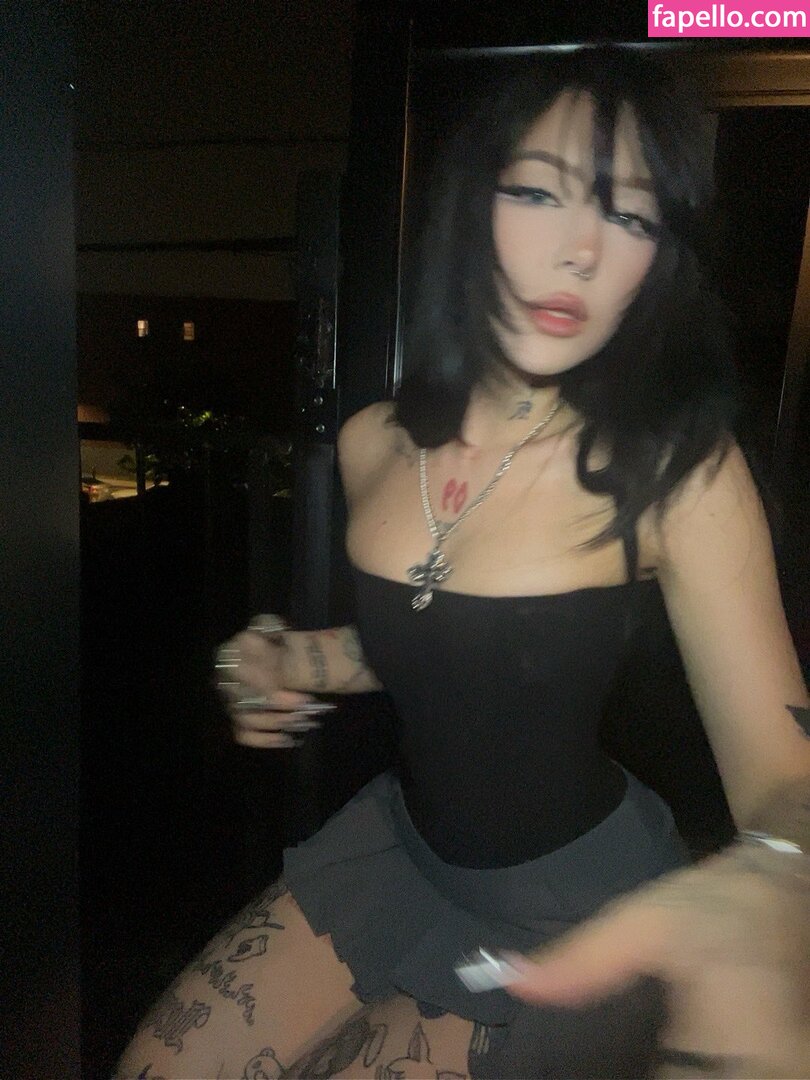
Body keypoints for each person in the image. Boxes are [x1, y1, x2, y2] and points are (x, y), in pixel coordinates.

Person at [117, 46, 810, 1080]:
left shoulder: (677, 472)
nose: (581, 250)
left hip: (574, 906)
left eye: (630, 216)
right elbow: (433, 645)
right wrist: (286, 661)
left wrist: (774, 878)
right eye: (538, 192)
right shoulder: (375, 443)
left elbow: (785, 774)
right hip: (396, 848)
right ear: (471, 207)